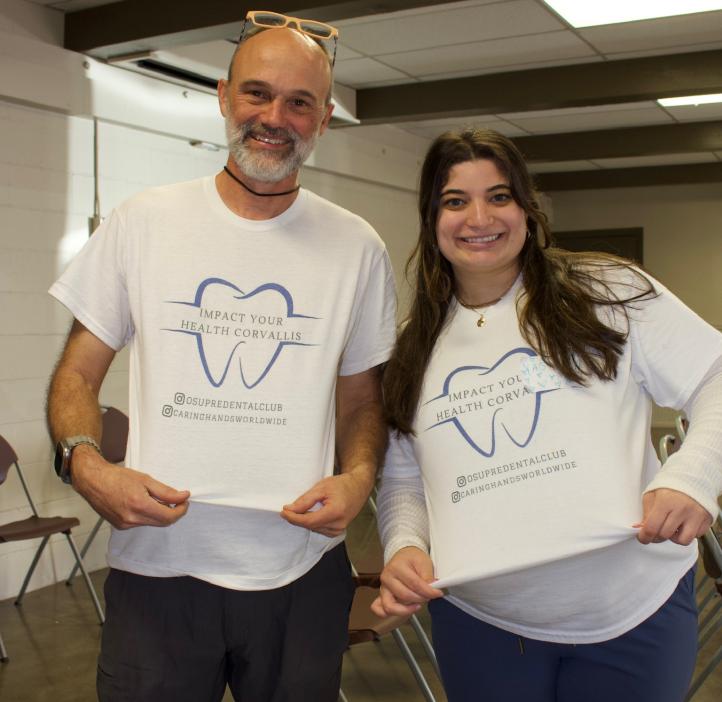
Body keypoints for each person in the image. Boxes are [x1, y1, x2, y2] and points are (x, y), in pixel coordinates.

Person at [47, 13, 396, 702]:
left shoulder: (357, 247)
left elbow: (362, 401)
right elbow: (78, 373)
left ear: (324, 120)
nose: (275, 117)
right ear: (222, 96)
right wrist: (87, 466)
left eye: (299, 102)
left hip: (301, 572)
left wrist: (358, 480)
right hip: (159, 570)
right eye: (257, 93)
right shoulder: (143, 221)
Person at [373, 128, 722, 702]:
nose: (478, 217)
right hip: (482, 625)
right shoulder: (414, 345)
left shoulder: (606, 291)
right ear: (431, 219)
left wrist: (693, 476)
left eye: (500, 196)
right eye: (455, 201)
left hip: (633, 615)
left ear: (527, 210)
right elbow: (406, 477)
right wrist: (405, 544)